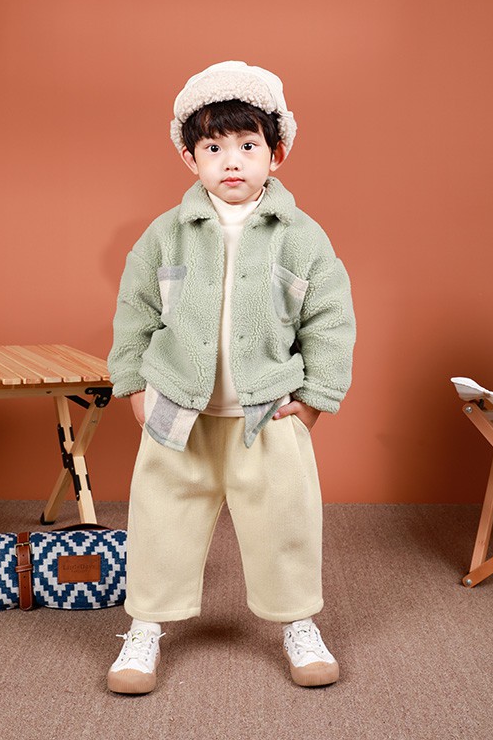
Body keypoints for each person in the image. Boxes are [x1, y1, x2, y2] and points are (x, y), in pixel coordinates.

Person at [106, 61, 356, 694]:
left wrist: (316, 398)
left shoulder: (302, 237)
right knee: (161, 518)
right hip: (176, 409)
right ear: (190, 159)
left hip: (267, 409)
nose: (232, 161)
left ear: (276, 153)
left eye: (248, 146)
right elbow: (135, 311)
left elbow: (330, 319)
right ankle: (144, 628)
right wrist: (132, 386)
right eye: (213, 148)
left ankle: (298, 624)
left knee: (285, 521)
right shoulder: (165, 235)